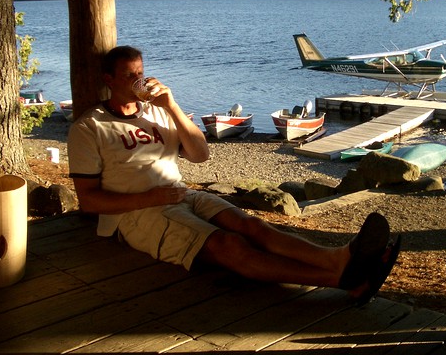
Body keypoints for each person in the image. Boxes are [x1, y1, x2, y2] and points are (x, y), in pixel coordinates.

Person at [68, 45, 400, 305]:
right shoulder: (89, 127)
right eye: (128, 76)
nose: (138, 81)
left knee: (253, 226)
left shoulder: (159, 112)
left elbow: (201, 154)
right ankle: (344, 279)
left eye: (141, 72)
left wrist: (172, 106)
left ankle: (338, 258)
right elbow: (88, 200)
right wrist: (150, 198)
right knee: (229, 244)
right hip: (137, 213)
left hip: (183, 195)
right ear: (108, 80)